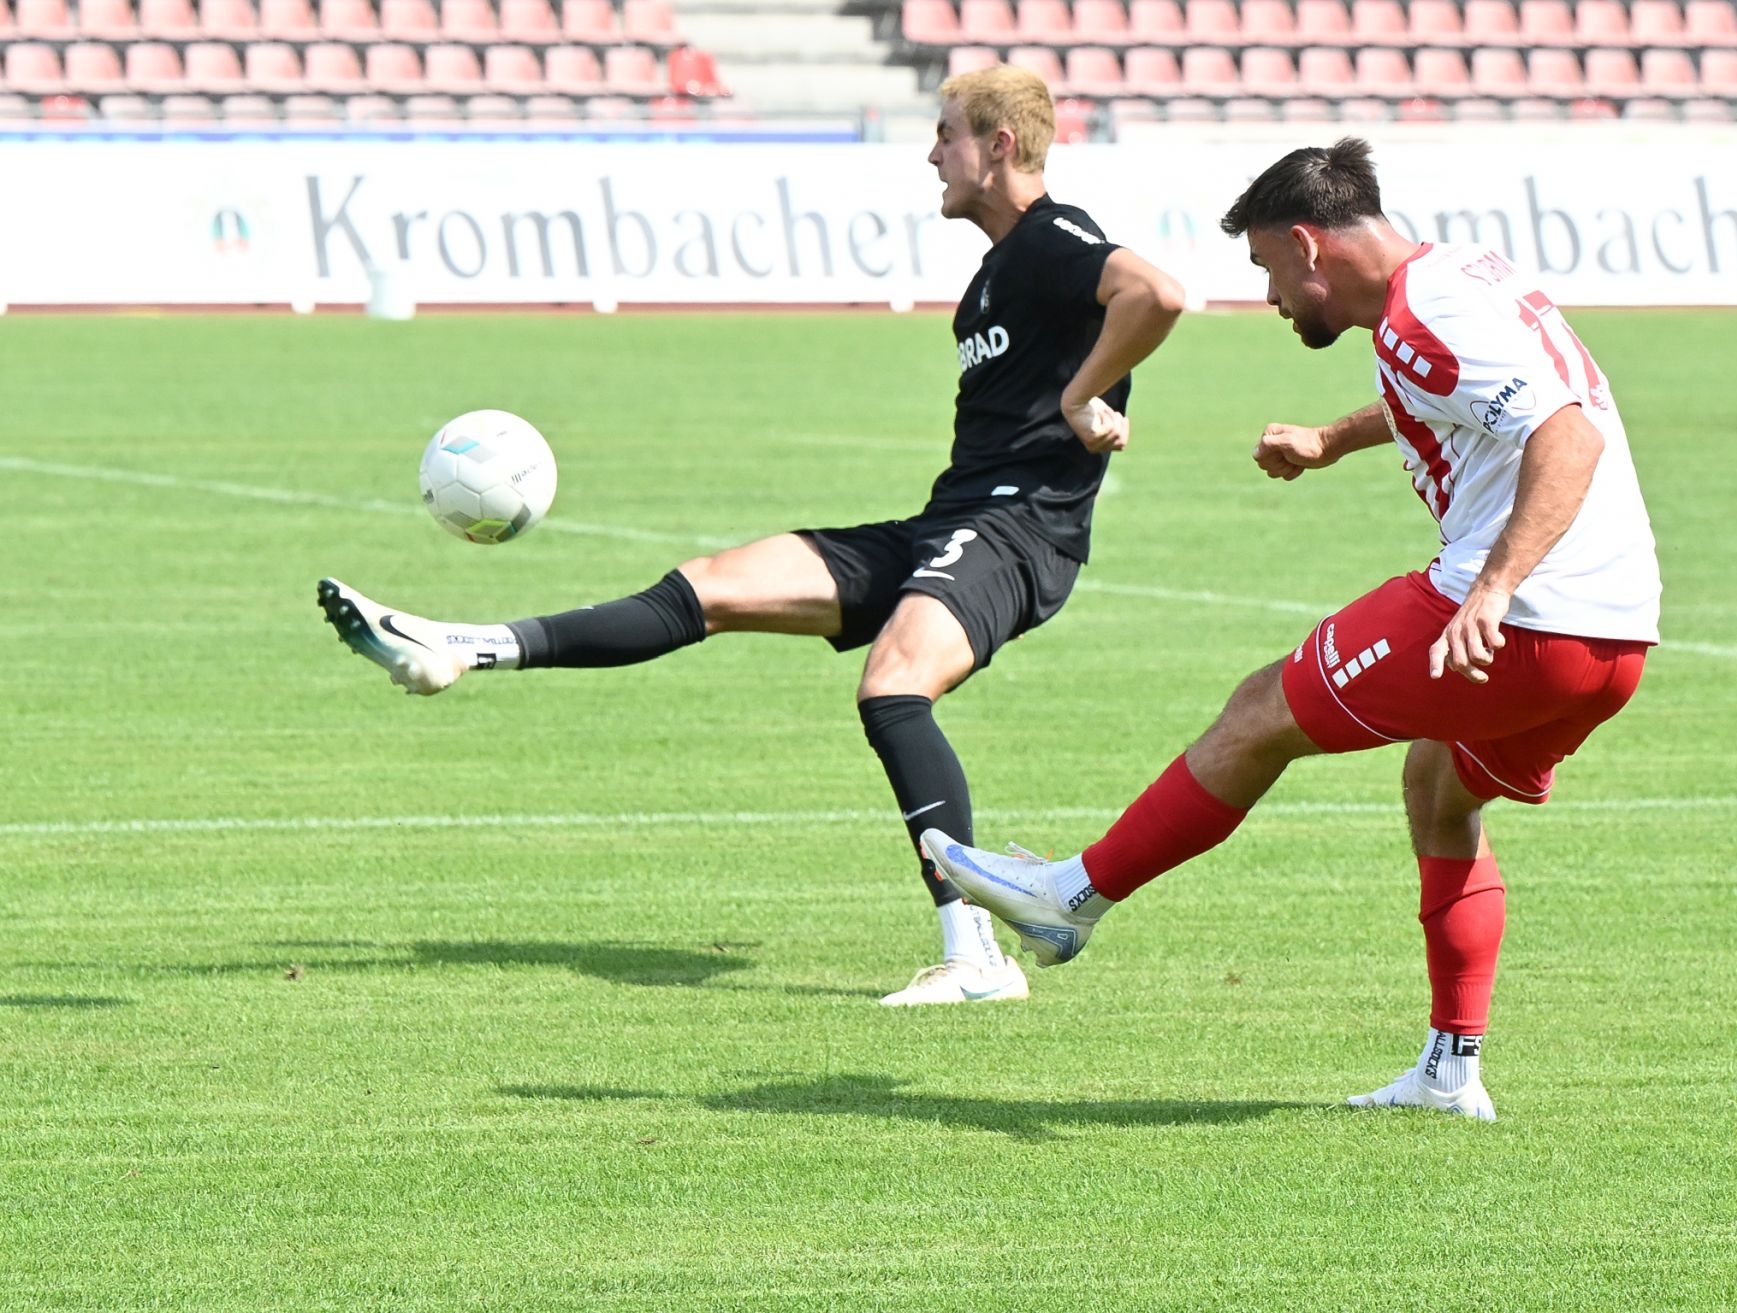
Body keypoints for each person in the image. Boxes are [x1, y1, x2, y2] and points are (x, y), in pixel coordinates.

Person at [316, 65, 1187, 1009]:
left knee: (894, 684)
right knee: (712, 585)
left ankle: (976, 952)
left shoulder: (1053, 237)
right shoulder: (992, 276)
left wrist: (1081, 395)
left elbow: (1157, 294)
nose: (933, 154)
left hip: (1017, 532)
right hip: (948, 521)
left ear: (1000, 145)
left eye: (947, 134)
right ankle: (461, 646)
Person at [925, 138, 1661, 1120]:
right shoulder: (1459, 276)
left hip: (1522, 615)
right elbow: (1451, 393)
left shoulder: (1422, 316)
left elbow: (1568, 434)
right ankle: (1450, 1069)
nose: (1271, 296)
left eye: (1269, 267)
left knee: (1261, 709)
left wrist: (1494, 585)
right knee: (1439, 787)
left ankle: (1073, 897)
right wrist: (1329, 439)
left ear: (1311, 247)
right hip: (1616, 637)